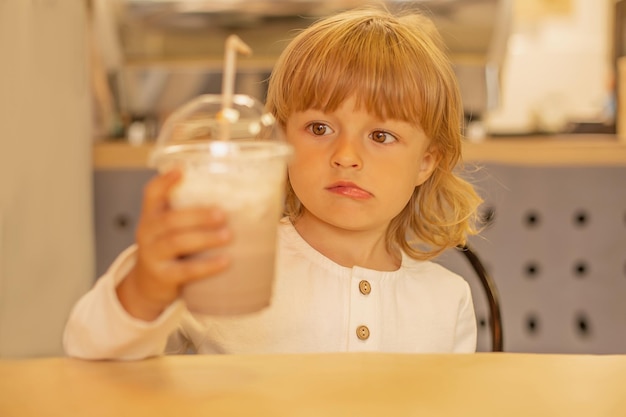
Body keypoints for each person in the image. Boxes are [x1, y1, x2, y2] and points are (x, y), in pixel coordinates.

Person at [63, 6, 483, 360]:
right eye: (319, 128)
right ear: (280, 140)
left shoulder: (449, 301)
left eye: (380, 136)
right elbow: (92, 353)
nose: (346, 157)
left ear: (427, 162)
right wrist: (145, 287)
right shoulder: (221, 260)